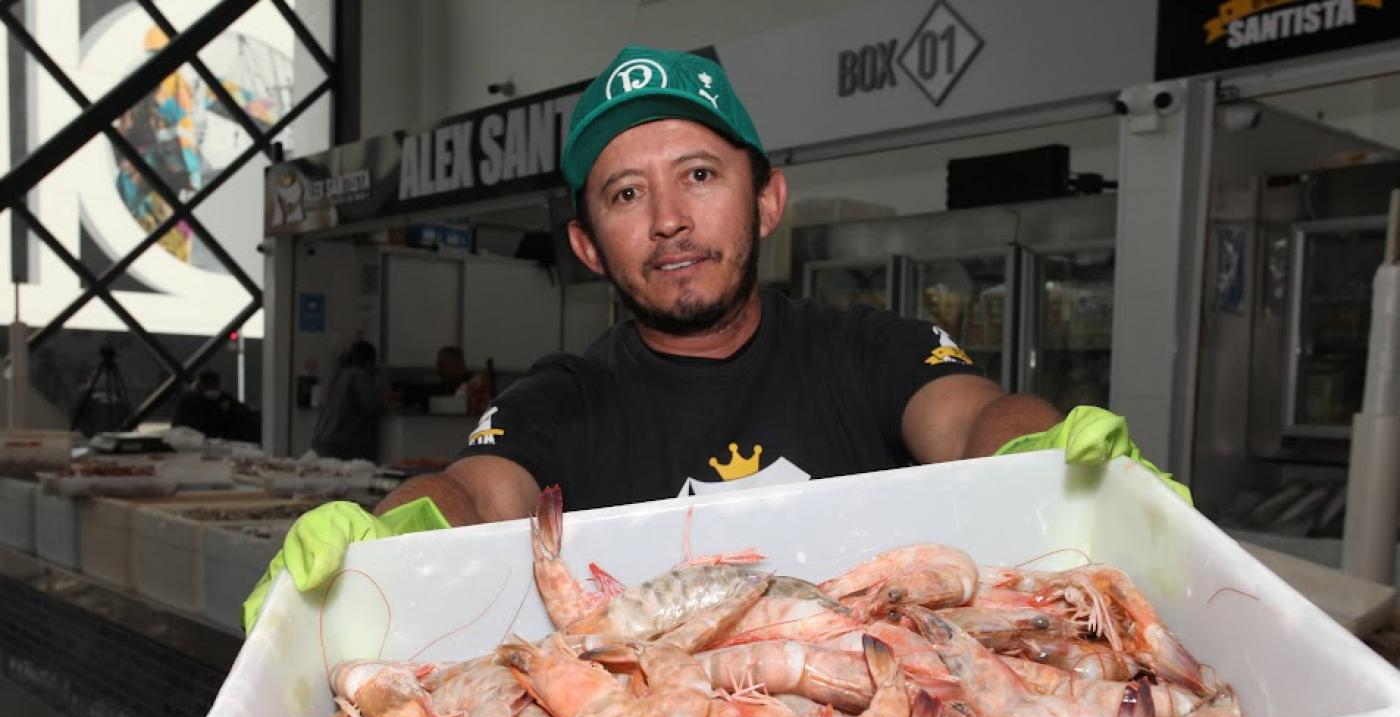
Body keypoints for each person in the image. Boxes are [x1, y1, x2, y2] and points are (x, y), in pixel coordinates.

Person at [242, 46, 1187, 632]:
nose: (668, 219)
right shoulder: (562, 398)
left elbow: (974, 416)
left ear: (767, 197)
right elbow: (476, 493)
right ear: (585, 244)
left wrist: (1044, 447)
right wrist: (394, 529)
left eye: (699, 173)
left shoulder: (865, 351)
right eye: (624, 193)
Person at [309, 340, 387, 462]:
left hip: (323, 441)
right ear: (368, 363)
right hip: (344, 445)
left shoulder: (335, 374)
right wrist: (380, 382)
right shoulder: (358, 375)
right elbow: (373, 404)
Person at [171, 370, 248, 439]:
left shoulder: (223, 398)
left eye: (216, 387)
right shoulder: (189, 401)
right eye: (209, 387)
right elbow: (185, 424)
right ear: (200, 386)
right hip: (194, 438)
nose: (213, 390)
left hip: (217, 436)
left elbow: (240, 410)